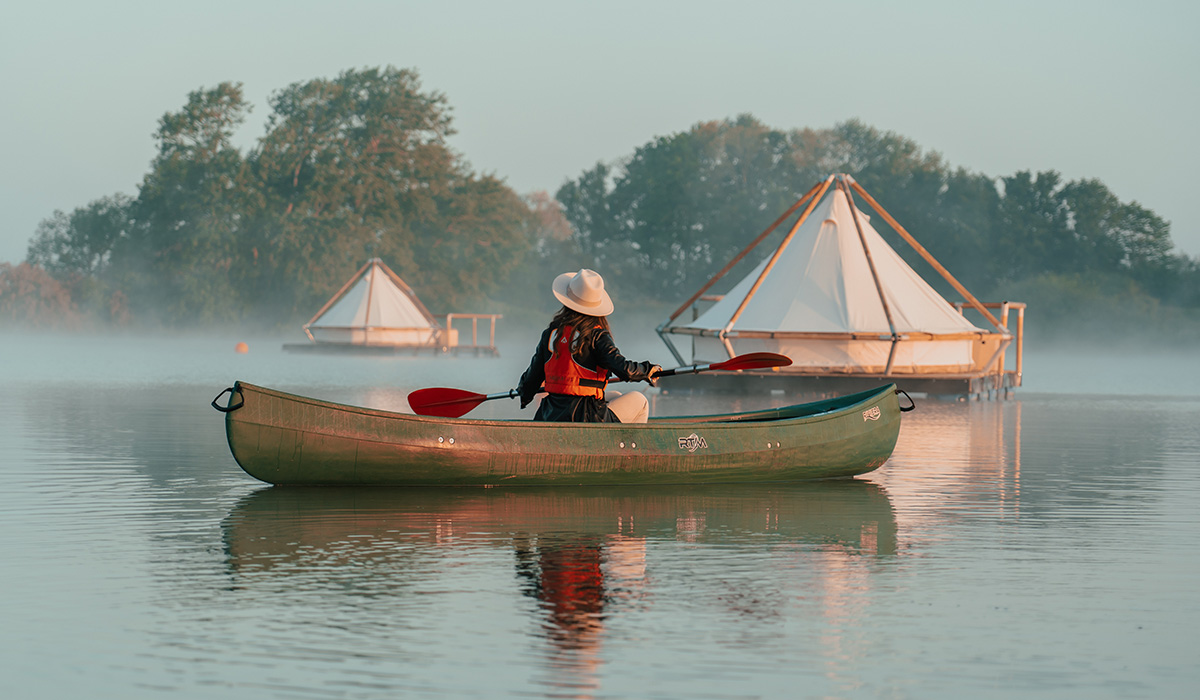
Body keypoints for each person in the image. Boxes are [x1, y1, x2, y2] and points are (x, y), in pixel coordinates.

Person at [518, 269, 661, 423]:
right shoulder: (596, 335)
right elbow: (624, 370)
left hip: (550, 413)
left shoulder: (551, 334)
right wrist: (647, 370)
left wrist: (524, 396)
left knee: (616, 395)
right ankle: (628, 447)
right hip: (585, 416)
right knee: (640, 400)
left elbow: (530, 380)